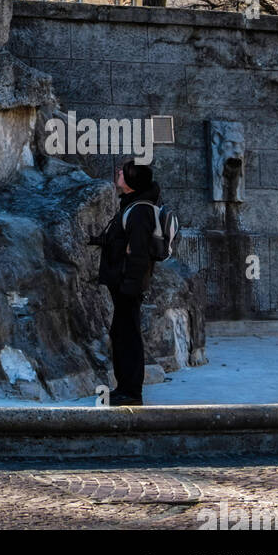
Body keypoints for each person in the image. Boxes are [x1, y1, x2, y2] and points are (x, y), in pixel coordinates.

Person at [90, 159, 160, 406]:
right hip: (123, 285)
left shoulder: (139, 211)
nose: (118, 173)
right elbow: (123, 242)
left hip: (127, 287)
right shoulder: (131, 205)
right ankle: (124, 389)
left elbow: (139, 254)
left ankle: (131, 392)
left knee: (127, 338)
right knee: (121, 335)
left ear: (131, 182)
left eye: (123, 172)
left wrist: (130, 286)